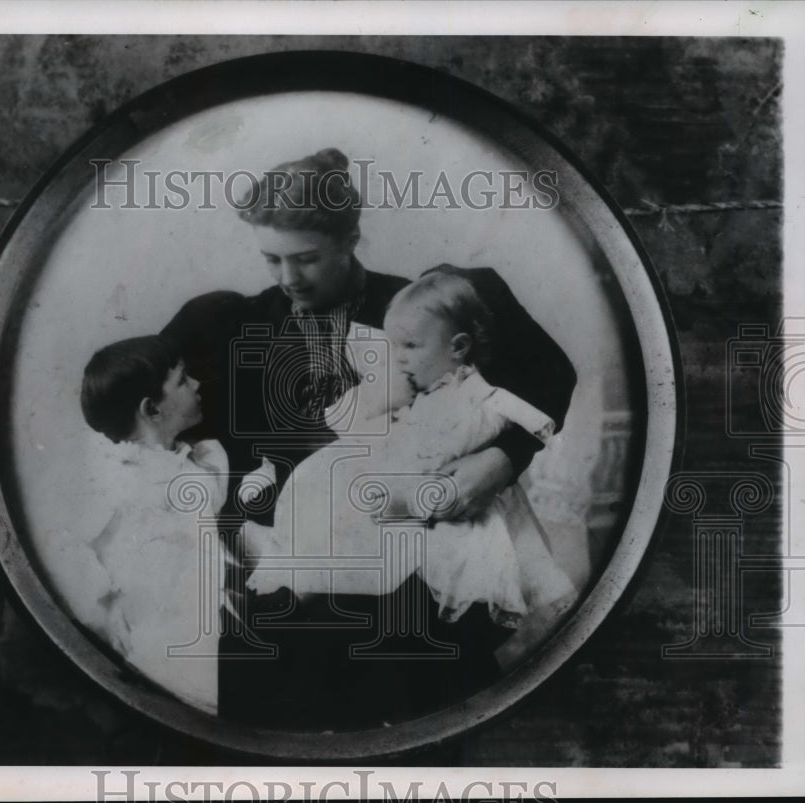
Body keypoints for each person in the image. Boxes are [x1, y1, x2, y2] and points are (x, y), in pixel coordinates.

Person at [160, 147, 577, 729]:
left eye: (306, 258)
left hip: (407, 567)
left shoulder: (416, 310)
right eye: (271, 258)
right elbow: (143, 408)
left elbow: (544, 374)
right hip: (285, 570)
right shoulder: (230, 324)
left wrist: (504, 460)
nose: (287, 278)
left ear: (352, 237)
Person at [242, 269, 578, 633]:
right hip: (396, 492)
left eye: (410, 347)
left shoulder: (474, 401)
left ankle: (297, 585)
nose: (399, 359)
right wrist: (378, 402)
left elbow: (447, 459)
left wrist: (406, 498)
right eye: (394, 346)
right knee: (323, 493)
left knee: (369, 538)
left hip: (433, 504)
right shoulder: (422, 389)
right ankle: (290, 579)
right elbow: (344, 420)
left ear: (458, 347)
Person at [61, 335, 227, 715]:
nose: (197, 384)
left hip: (205, 617)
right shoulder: (122, 484)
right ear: (152, 409)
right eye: (184, 380)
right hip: (164, 639)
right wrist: (108, 604)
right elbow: (79, 553)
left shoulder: (194, 464)